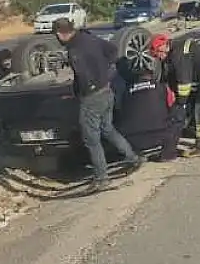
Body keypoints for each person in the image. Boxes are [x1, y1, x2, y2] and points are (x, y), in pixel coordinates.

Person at [53, 18, 143, 190]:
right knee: (107, 129)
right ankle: (133, 158)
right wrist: (103, 71)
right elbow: (112, 51)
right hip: (107, 90)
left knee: (91, 139)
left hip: (92, 97)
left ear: (60, 33)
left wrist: (83, 92)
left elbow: (83, 76)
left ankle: (102, 179)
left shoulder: (74, 50)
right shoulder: (89, 37)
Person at [116, 45, 180, 162]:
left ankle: (132, 155)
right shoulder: (161, 87)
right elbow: (172, 105)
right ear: (152, 74)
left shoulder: (125, 91)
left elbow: (120, 110)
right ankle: (168, 154)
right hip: (158, 135)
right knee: (177, 116)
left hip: (131, 139)